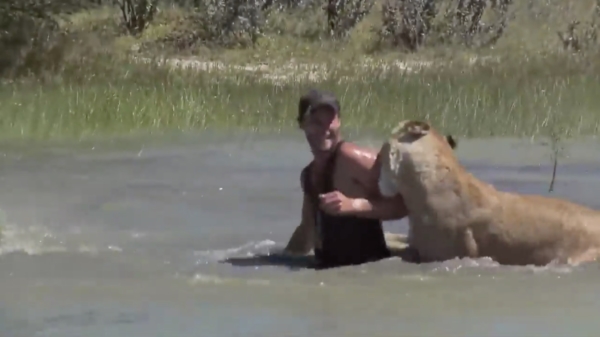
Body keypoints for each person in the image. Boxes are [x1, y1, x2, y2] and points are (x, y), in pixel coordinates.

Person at [282, 89, 410, 269]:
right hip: (328, 276)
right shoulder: (308, 176)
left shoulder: (352, 159)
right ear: (302, 124)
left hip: (370, 273)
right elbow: (307, 230)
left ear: (339, 121)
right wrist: (278, 260)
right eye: (316, 122)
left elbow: (407, 203)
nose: (325, 129)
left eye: (330, 121)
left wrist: (354, 205)